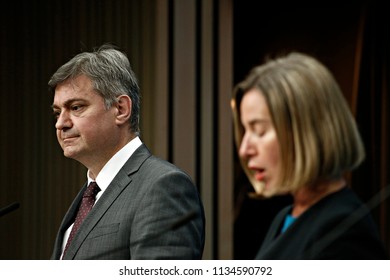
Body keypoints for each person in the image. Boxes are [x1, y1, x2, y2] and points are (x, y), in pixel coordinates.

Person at [49, 44, 205, 260]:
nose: (61, 124)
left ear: (121, 109)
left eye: (76, 107)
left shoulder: (163, 187)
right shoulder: (89, 196)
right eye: (57, 112)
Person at [231, 52, 388, 259]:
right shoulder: (284, 217)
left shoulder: (344, 233)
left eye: (259, 131)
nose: (244, 149)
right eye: (245, 130)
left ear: (305, 132)